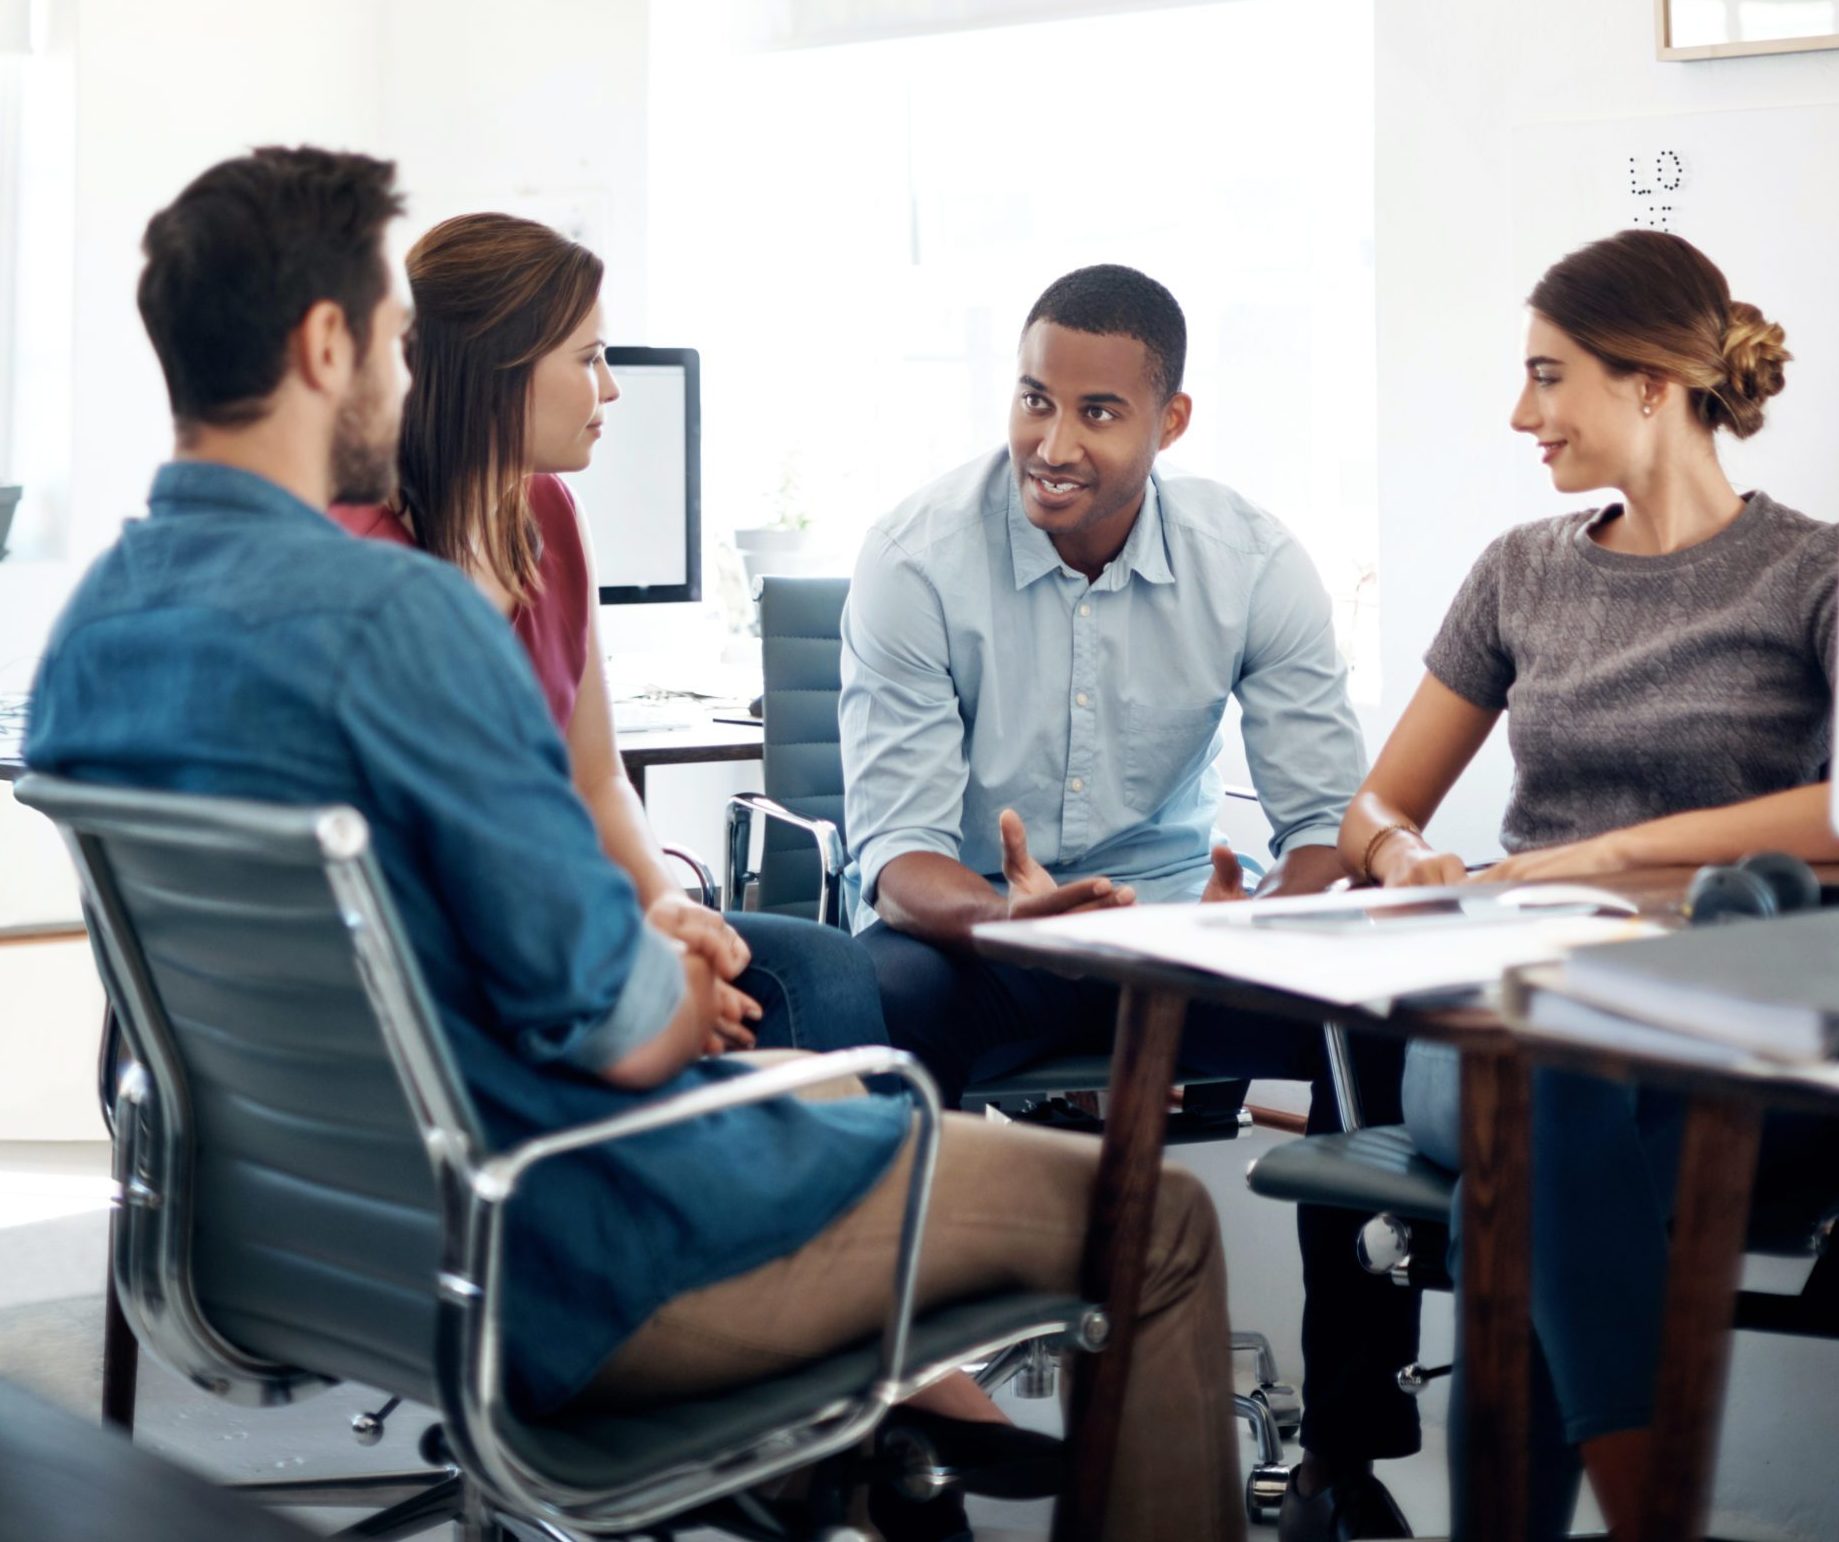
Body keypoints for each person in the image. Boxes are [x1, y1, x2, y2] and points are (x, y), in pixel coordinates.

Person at [24, 147, 1244, 1542]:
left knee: (811, 1073)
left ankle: (856, 1467)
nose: (404, 370)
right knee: (1151, 1222)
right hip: (561, 1255)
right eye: (390, 335)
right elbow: (615, 1025)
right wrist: (673, 977)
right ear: (323, 346)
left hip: (286, 1249)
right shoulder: (395, 621)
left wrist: (667, 972)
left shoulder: (92, 634)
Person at [1339, 229, 1839, 1538]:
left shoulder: (1816, 572)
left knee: (1540, 1160)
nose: (1518, 412)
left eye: (1548, 377)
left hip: (1704, 1015)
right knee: (1535, 1073)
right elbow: (1375, 803)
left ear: (1649, 383)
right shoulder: (1518, 573)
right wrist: (1400, 851)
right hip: (1504, 992)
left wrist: (1614, 852)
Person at [840, 263, 1417, 1538]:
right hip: (979, 935)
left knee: (1373, 1013)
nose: (1053, 444)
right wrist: (1013, 920)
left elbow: (1326, 825)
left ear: (1172, 423)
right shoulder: (914, 557)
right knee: (862, 1006)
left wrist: (1264, 910)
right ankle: (896, 1420)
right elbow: (895, 854)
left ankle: (1346, 1452)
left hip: (1179, 937)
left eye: (1098, 413)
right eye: (1034, 399)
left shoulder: (1254, 561)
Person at [331, 212, 880, 1063]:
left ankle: (809, 1178)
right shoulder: (365, 560)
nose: (613, 388)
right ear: (494, 373)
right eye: (589, 359)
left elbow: (596, 780)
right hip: (444, 949)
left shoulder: (548, 512)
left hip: (553, 915)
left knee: (827, 972)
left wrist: (669, 911)